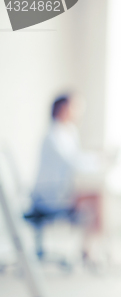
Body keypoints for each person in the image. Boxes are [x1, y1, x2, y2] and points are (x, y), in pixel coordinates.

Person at [29, 93, 103, 264]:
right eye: (74, 107)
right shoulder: (53, 135)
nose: (78, 112)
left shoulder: (68, 133)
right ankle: (89, 251)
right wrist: (98, 159)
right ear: (63, 109)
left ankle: (90, 249)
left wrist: (95, 158)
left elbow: (76, 158)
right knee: (97, 197)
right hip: (48, 197)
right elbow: (74, 161)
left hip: (60, 192)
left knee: (96, 195)